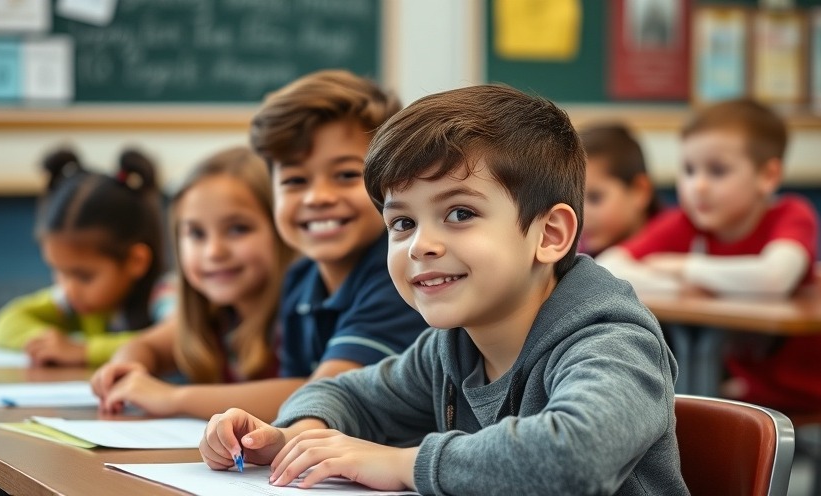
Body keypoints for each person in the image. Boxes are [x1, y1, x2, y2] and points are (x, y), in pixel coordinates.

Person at [199, 85, 687, 494]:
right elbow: (345, 394)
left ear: (550, 235)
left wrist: (402, 464)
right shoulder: (450, 348)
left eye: (460, 214)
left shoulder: (613, 344)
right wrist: (296, 435)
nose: (421, 245)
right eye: (403, 222)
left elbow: (577, 457)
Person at [95, 70, 427, 421]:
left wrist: (174, 398)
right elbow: (299, 401)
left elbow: (323, 396)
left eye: (345, 175)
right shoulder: (302, 281)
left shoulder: (398, 274)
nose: (318, 197)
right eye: (295, 180)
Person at [598, 98, 820, 412]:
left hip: (808, 389)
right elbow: (608, 267)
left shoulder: (792, 214)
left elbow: (774, 277)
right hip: (748, 392)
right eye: (688, 170)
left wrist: (684, 267)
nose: (697, 186)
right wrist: (679, 287)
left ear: (768, 176)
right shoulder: (687, 223)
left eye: (717, 171)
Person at [91, 147, 297, 420]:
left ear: (282, 227)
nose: (214, 251)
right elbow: (145, 346)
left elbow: (311, 393)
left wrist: (174, 399)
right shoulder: (215, 317)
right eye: (196, 233)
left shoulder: (302, 315)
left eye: (238, 229)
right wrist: (127, 368)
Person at [0, 148, 169, 367]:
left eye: (84, 276)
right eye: (59, 271)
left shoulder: (165, 295)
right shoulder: (73, 300)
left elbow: (176, 340)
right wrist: (50, 343)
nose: (68, 289)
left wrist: (82, 350)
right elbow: (5, 322)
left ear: (135, 261)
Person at [579, 123, 663, 257]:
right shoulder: (577, 257)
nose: (580, 215)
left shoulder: (678, 243)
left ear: (640, 191)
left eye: (595, 198)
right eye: (573, 201)